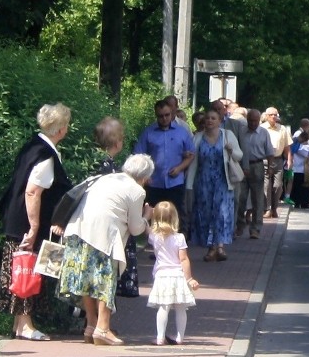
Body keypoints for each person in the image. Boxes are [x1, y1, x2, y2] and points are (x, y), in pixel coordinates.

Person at [0, 103, 73, 341]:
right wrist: (34, 227)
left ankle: (21, 323)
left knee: (23, 271)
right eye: (67, 125)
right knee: (28, 271)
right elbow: (32, 192)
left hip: (16, 220)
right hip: (28, 225)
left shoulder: (31, 146)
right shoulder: (45, 155)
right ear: (60, 130)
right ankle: (26, 325)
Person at [58, 154, 154, 346]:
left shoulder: (105, 177)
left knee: (86, 279)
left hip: (78, 230)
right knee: (104, 281)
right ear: (145, 177)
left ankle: (91, 326)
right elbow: (136, 228)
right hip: (103, 236)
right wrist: (146, 215)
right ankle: (103, 329)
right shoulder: (137, 190)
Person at [186, 107, 243, 262]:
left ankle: (219, 246)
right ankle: (211, 246)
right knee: (206, 214)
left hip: (223, 181)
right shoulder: (198, 137)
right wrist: (189, 184)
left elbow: (239, 155)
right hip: (203, 182)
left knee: (222, 213)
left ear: (219, 121)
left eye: (213, 118)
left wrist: (231, 151)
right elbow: (193, 163)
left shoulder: (227, 135)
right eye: (208, 118)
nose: (210, 121)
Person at [93, 117, 139, 298]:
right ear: (116, 141)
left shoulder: (96, 162)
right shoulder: (107, 167)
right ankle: (99, 322)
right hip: (107, 229)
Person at [132, 99, 195, 233]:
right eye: (161, 116)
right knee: (156, 216)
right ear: (156, 115)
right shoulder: (148, 132)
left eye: (167, 115)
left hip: (175, 182)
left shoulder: (181, 132)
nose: (164, 118)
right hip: (155, 182)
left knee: (175, 214)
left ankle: (176, 246)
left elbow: (191, 155)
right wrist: (145, 175)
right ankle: (157, 247)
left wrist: (179, 168)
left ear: (172, 113)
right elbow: (138, 155)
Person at [146, 201, 199, 346]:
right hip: (178, 276)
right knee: (181, 308)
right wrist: (189, 279)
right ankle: (180, 337)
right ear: (175, 218)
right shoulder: (179, 238)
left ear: (156, 219)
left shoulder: (154, 236)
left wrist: (146, 214)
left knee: (163, 307)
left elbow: (145, 227)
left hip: (162, 276)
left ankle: (160, 337)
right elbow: (184, 259)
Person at [236, 109, 274, 239]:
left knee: (257, 198)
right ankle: (239, 225)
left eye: (255, 121)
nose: (252, 123)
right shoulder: (241, 132)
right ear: (247, 120)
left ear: (259, 120)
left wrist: (270, 167)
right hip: (242, 166)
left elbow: (269, 152)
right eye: (250, 121)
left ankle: (256, 228)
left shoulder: (264, 133)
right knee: (240, 197)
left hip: (257, 165)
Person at [262, 107, 292, 218]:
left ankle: (274, 207)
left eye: (275, 114)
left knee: (278, 186)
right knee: (266, 185)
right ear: (266, 116)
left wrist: (289, 160)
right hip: (264, 160)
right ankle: (268, 208)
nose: (273, 117)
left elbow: (287, 146)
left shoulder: (282, 129)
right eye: (271, 115)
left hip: (278, 159)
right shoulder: (262, 128)